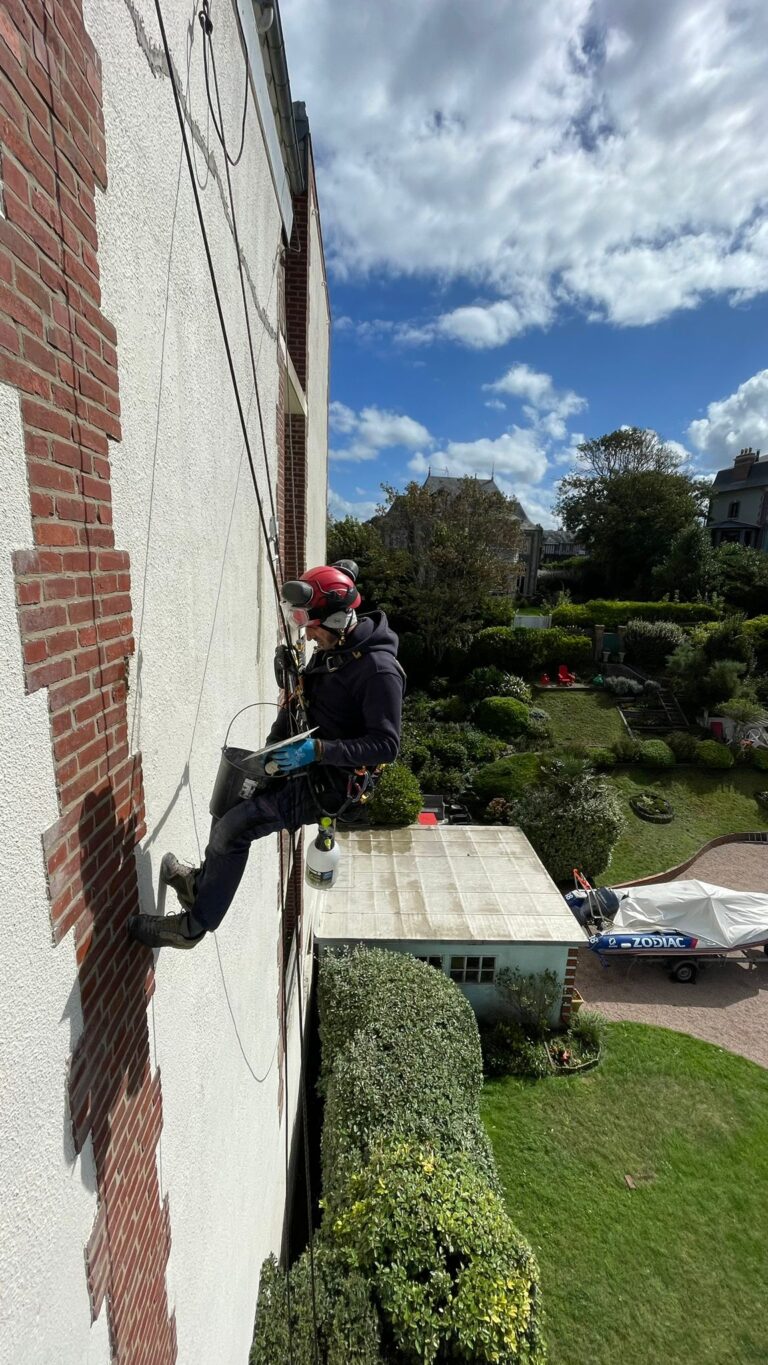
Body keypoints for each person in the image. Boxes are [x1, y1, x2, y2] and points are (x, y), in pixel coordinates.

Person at [128, 562, 404, 949]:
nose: (307, 633)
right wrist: (292, 676)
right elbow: (317, 702)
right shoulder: (336, 648)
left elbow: (386, 745)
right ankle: (200, 885)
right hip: (295, 755)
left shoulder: (378, 671)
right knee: (230, 796)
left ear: (341, 619)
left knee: (237, 827)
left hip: (326, 784)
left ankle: (193, 927)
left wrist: (319, 750)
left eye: (312, 626)